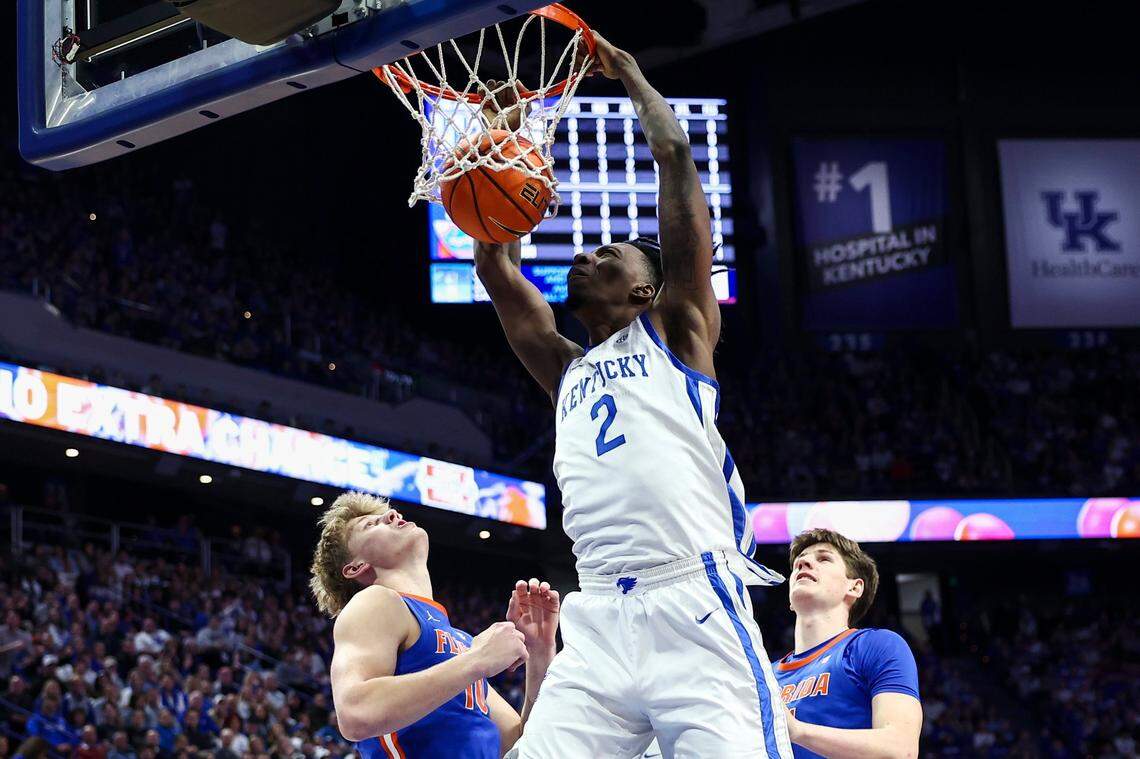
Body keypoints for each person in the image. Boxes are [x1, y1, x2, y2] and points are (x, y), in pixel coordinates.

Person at [474, 31, 791, 759]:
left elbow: (677, 159)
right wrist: (500, 151)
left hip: (692, 605)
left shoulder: (679, 329)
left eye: (606, 254)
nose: (584, 254)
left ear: (645, 287)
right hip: (600, 618)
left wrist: (633, 76)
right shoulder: (567, 369)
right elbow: (496, 268)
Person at [310, 491, 559, 757]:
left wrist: (540, 652)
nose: (393, 514)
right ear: (355, 567)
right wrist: (477, 660)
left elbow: (521, 744)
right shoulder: (376, 602)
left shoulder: (461, 642)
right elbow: (355, 714)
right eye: (371, 524)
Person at [773, 529, 922, 759]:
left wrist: (798, 731)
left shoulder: (877, 645)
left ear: (854, 588)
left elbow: (901, 749)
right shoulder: (763, 676)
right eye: (799, 563)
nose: (803, 562)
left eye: (823, 558)